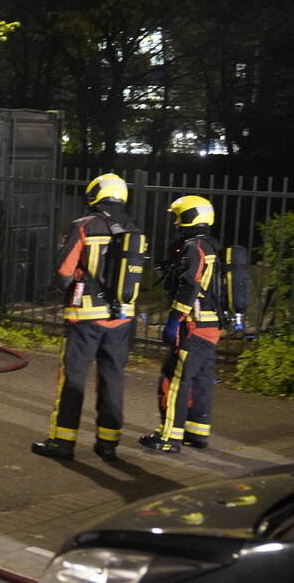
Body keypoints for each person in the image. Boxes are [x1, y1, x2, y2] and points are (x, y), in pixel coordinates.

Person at [32, 173, 141, 462]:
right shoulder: (133, 229)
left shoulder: (84, 226)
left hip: (86, 317)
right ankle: (108, 443)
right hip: (122, 318)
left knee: (73, 379)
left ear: (95, 195)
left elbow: (63, 274)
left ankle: (62, 441)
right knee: (112, 379)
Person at [139, 195, 220, 453]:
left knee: (174, 378)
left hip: (192, 325)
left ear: (191, 217)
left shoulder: (194, 247)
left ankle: (168, 438)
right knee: (201, 379)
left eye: (179, 217)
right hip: (210, 324)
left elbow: (189, 283)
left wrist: (175, 319)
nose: (175, 223)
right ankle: (196, 433)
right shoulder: (212, 246)